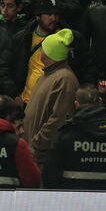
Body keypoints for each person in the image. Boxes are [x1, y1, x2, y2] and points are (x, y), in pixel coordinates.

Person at [43, 85, 106, 190]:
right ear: (100, 101)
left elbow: (50, 176)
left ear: (76, 104)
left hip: (72, 202)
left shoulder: (65, 135)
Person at [24, 28, 80, 165]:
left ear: (50, 53)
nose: (40, 51)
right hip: (33, 151)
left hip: (44, 156)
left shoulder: (65, 79)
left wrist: (37, 143)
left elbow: (58, 120)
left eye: (43, 48)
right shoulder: (47, 75)